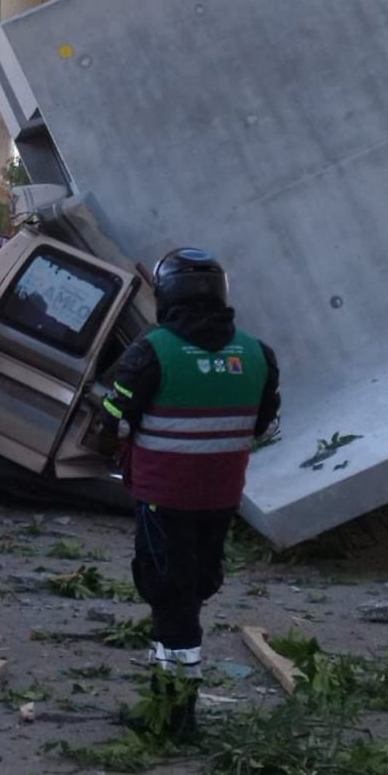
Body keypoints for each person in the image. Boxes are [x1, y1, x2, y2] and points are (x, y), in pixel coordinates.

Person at [101, 247, 280, 741]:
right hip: (221, 499)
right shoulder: (258, 354)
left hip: (164, 499)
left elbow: (112, 420)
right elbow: (262, 423)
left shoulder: (150, 352)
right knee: (191, 594)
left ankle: (175, 716)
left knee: (169, 601)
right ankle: (173, 705)